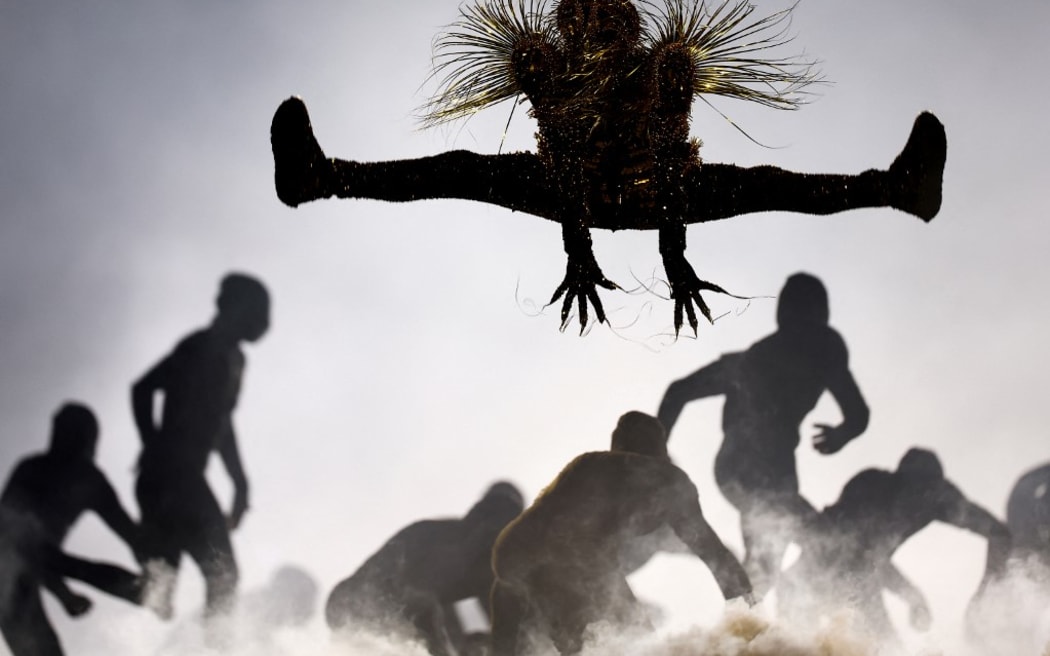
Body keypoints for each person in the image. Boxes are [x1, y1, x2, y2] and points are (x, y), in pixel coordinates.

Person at [270, 0, 946, 334]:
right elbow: (562, 156)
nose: (597, 31)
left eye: (612, 22)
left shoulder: (666, 68)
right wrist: (578, 246)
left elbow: (666, 161)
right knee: (459, 168)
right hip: (576, 193)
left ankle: (900, 190)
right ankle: (321, 178)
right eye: (584, 21)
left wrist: (671, 255)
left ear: (630, 29)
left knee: (775, 187)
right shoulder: (544, 63)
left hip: (661, 193)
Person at [657, 272, 868, 593]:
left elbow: (858, 414)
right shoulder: (758, 360)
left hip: (771, 470)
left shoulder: (821, 352)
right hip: (746, 467)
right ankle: (763, 614)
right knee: (820, 542)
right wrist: (655, 455)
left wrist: (843, 434)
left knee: (764, 570)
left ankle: (741, 631)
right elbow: (677, 392)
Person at [489, 411, 752, 656]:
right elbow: (714, 553)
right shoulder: (669, 481)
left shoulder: (587, 462)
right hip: (568, 559)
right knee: (636, 641)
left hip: (510, 558)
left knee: (587, 640)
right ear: (660, 450)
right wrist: (748, 615)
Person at [131, 273, 270, 623]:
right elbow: (143, 389)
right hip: (170, 480)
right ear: (232, 307)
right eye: (258, 310)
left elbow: (222, 424)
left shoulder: (235, 360)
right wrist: (153, 446)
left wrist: (240, 482)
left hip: (184, 478)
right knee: (184, 583)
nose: (264, 321)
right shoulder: (198, 347)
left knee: (188, 582)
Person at [778, 448, 1010, 649]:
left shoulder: (939, 500)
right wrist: (913, 596)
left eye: (928, 494)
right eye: (915, 491)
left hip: (858, 584)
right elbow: (858, 555)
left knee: (886, 646)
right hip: (806, 585)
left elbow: (1000, 534)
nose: (919, 502)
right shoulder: (871, 487)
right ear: (900, 481)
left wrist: (985, 593)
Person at [0, 403, 151, 656]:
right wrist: (64, 594)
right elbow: (19, 544)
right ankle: (144, 591)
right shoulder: (34, 470)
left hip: (24, 573)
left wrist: (154, 558)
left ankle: (146, 591)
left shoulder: (87, 479)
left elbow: (130, 533)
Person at [325, 482, 525, 656]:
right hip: (357, 608)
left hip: (368, 611)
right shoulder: (446, 543)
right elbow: (420, 605)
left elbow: (501, 621)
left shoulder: (490, 564)